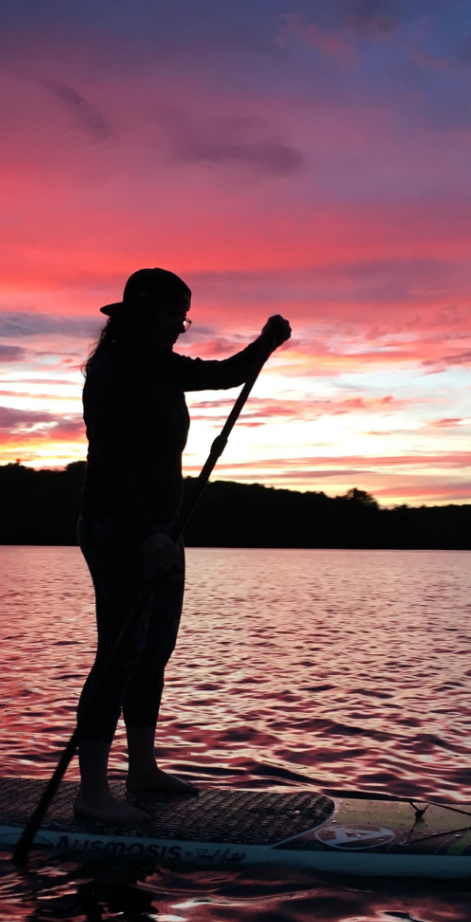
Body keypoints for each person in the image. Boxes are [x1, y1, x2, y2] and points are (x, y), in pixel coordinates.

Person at [75, 267, 291, 824]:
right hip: (120, 527)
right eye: (174, 315)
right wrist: (145, 533)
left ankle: (141, 768)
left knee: (155, 650)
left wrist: (265, 344)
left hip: (165, 530)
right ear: (146, 314)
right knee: (120, 651)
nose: (180, 327)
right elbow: (112, 463)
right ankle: (93, 793)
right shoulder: (113, 373)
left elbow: (225, 376)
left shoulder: (162, 366)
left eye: (184, 317)